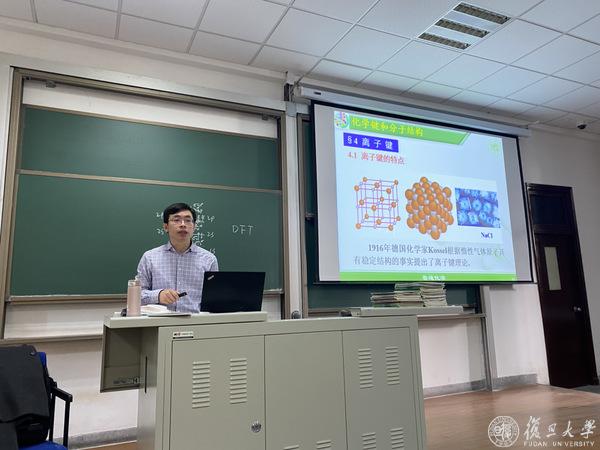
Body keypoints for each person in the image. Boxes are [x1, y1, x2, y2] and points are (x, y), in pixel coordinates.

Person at [137, 202, 218, 313]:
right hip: (160, 320)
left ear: (194, 227)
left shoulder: (209, 259)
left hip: (196, 320)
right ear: (166, 227)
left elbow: (214, 299)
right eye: (176, 220)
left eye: (188, 220)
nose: (183, 224)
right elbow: (136, 295)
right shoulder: (150, 258)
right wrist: (158, 295)